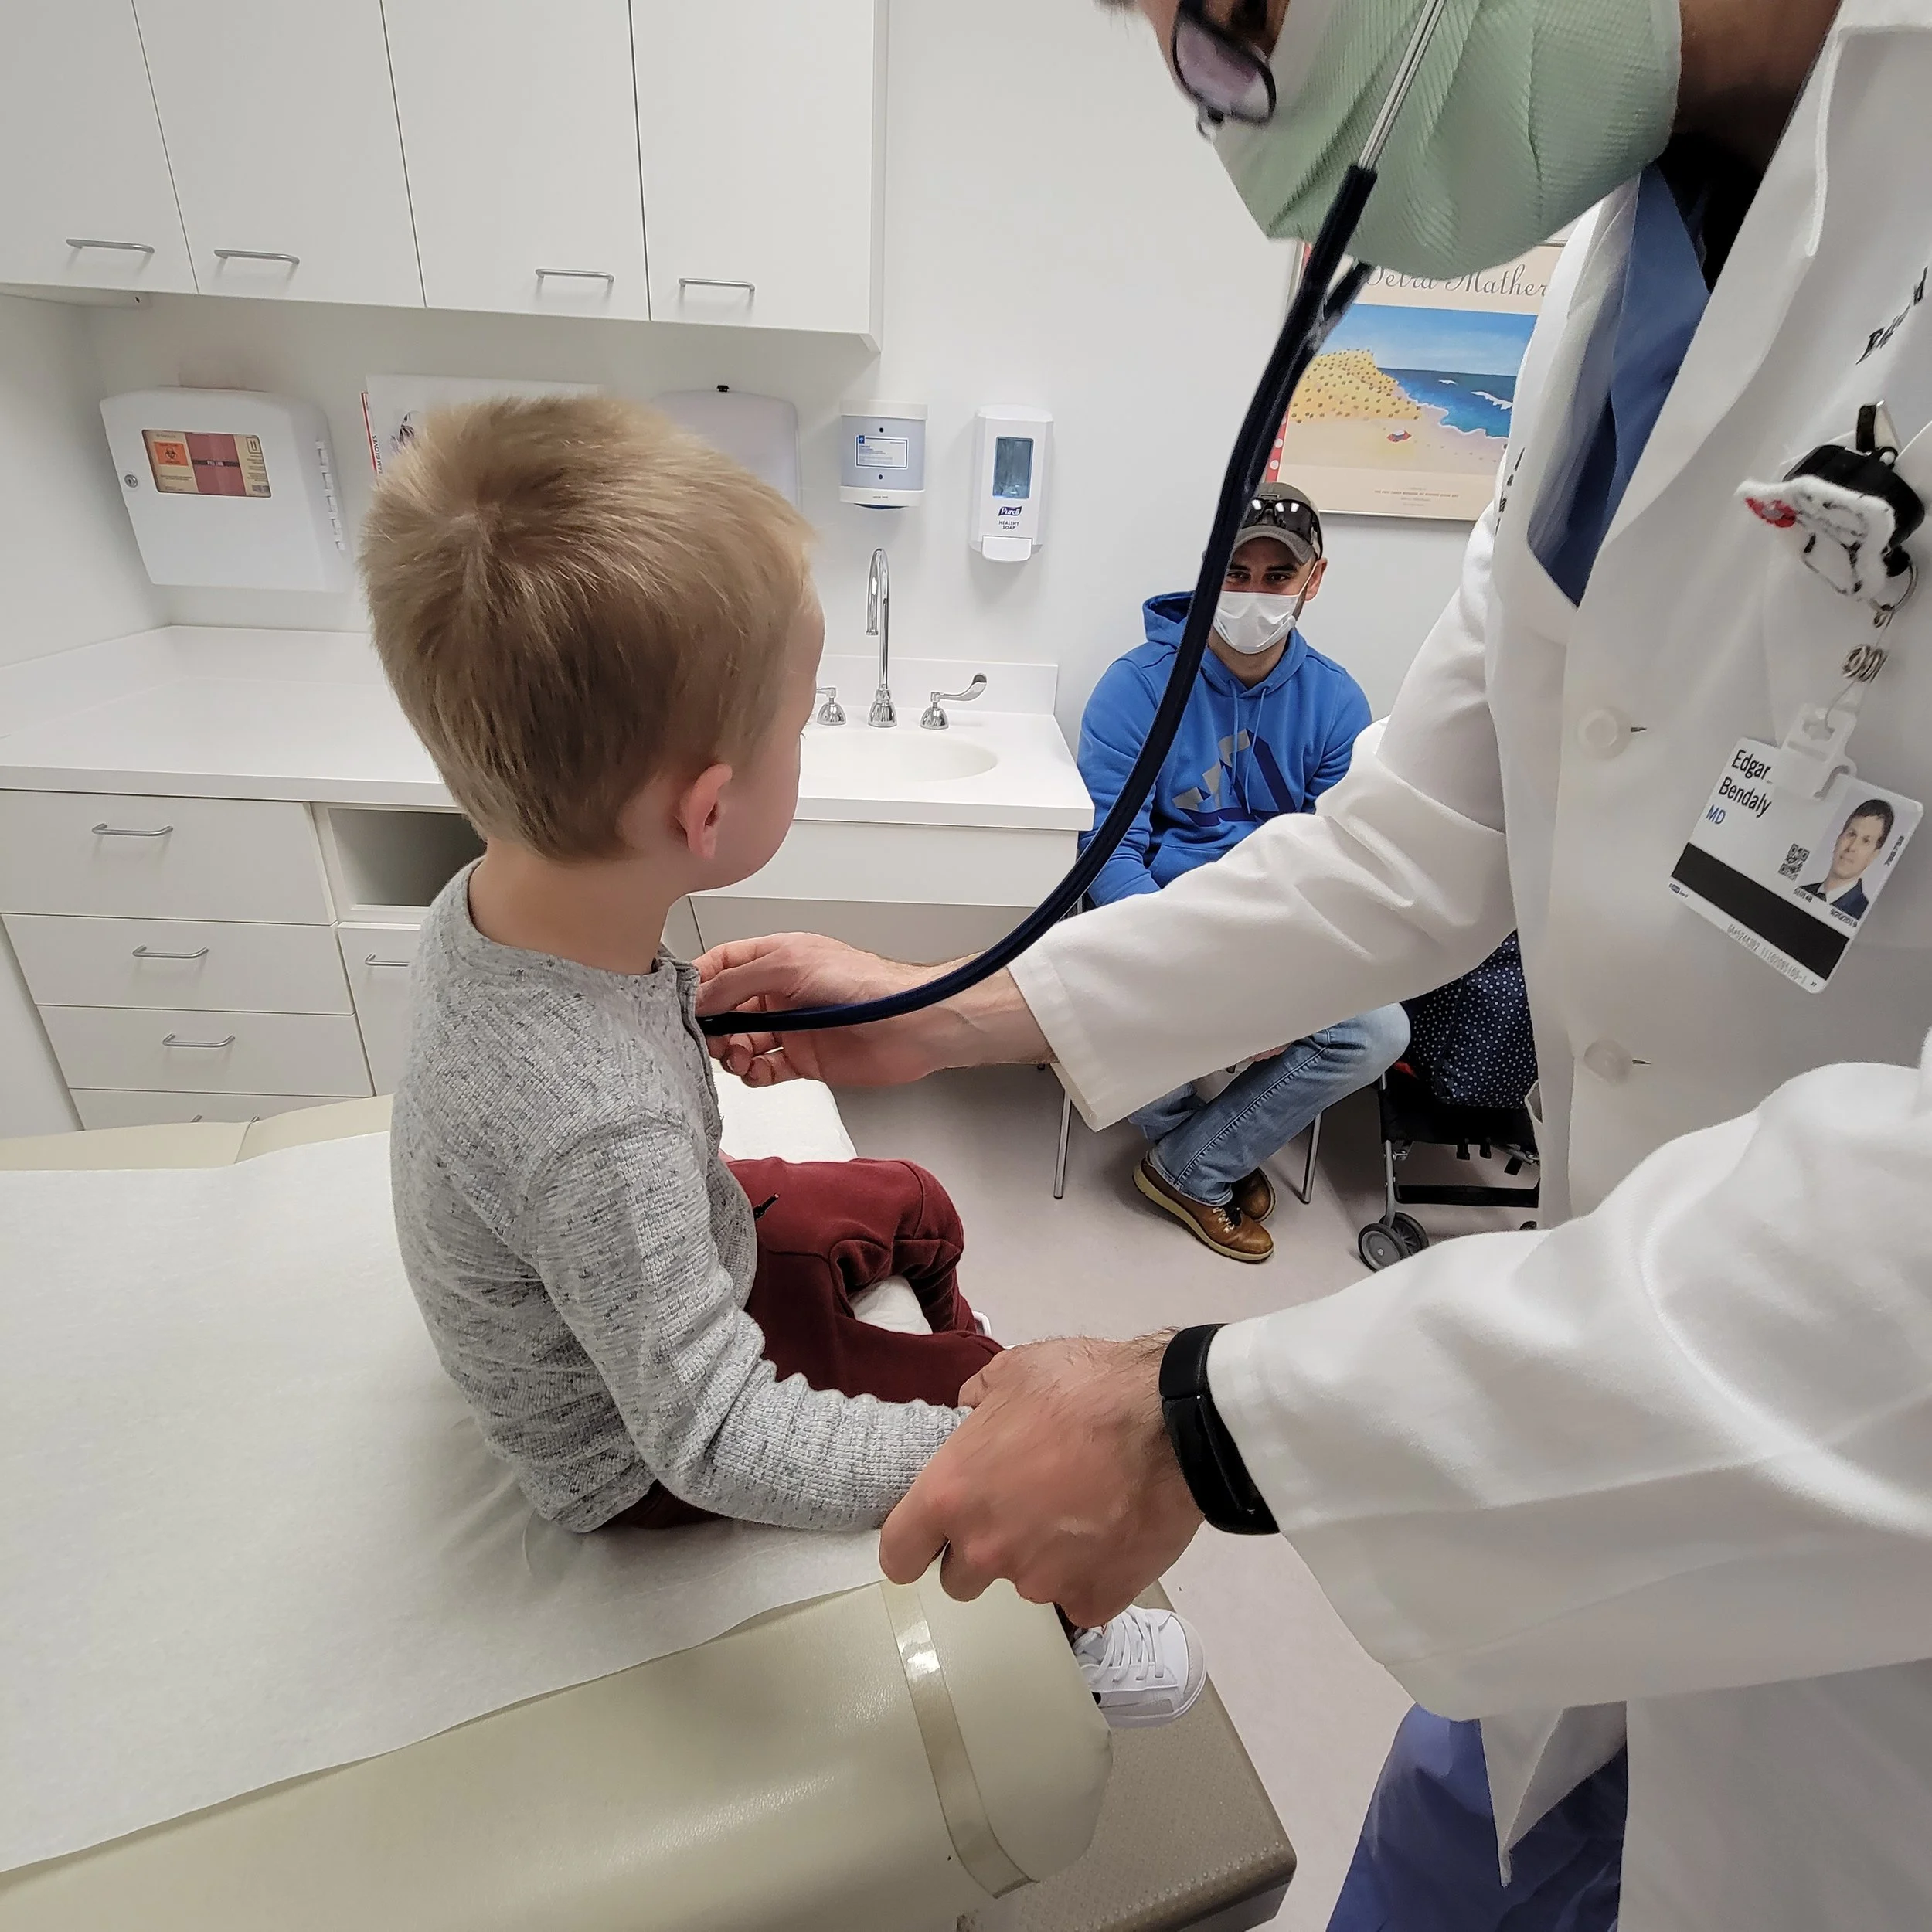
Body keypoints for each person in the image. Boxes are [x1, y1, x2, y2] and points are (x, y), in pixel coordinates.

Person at [693, 0, 1932, 1926]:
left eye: (1233, 17)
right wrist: (959, 1014)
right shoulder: (1626, 270)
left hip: (1867, 1647)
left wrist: (1209, 1418)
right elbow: (1417, 839)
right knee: (1450, 1843)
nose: (1228, 112)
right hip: (1574, 1487)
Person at [359, 396, 1202, 1727]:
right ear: (708, 810)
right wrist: (981, 1447)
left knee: (912, 1198)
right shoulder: (602, 1141)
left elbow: (568, 1052)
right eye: (802, 725)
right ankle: (1076, 1629)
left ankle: (955, 1347)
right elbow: (709, 1441)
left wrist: (688, 1007)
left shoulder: (495, 905)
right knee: (1040, 1438)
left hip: (674, 1256)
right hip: (639, 1444)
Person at [1080, 482, 1408, 1260]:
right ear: (1206, 572)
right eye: (1236, 573)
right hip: (1161, 918)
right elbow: (1107, 849)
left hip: (1274, 929)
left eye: (1276, 577)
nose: (1254, 594)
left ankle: (1189, 1164)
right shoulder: (1137, 685)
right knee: (1090, 984)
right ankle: (1200, 1153)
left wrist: (1279, 984)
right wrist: (1195, 964)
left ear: (1312, 581)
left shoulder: (1335, 701)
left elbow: (1338, 864)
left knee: (1377, 1029)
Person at [1798, 798, 1895, 922]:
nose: (1852, 847)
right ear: (1839, 838)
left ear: (1874, 856)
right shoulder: (1801, 890)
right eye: (1851, 834)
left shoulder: (1862, 917)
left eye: (1866, 841)